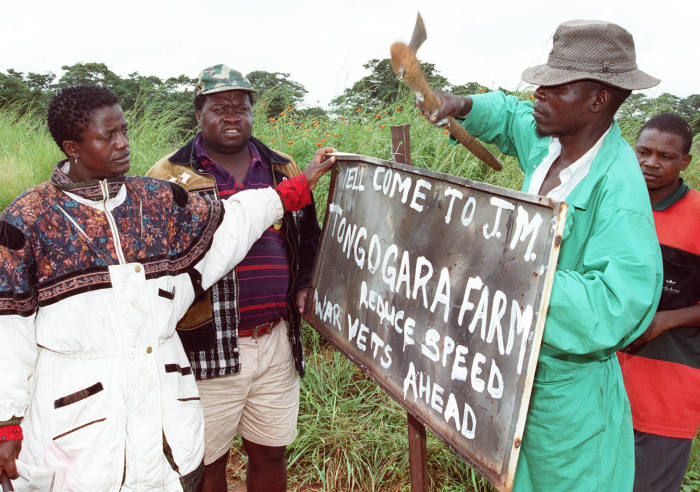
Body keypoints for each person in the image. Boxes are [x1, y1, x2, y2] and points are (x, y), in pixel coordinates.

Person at [0, 85, 335, 491]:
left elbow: (231, 221)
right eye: (108, 136)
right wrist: (6, 423)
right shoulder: (30, 219)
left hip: (162, 390)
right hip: (74, 409)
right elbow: (10, 327)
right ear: (72, 146)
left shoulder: (156, 202)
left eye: (124, 130)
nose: (123, 144)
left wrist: (293, 190)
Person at [421, 20, 663, 491]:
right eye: (541, 84)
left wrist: (509, 269)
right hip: (515, 373)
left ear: (599, 100)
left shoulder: (619, 187)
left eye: (556, 87)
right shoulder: (550, 143)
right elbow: (509, 115)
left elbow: (618, 304)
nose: (539, 94)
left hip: (565, 394)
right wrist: (462, 105)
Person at [146, 65, 330, 492]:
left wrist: (304, 285)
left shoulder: (282, 168)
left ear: (252, 112)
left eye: (241, 107)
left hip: (275, 339)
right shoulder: (169, 177)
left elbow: (308, 240)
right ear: (198, 113)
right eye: (219, 107)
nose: (232, 116)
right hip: (205, 345)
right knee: (207, 461)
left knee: (270, 451)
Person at [617, 113, 699, 492]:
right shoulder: (612, 205)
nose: (651, 162)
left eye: (665, 156)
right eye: (644, 152)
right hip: (601, 386)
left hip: (667, 392)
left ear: (685, 161)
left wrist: (664, 321)